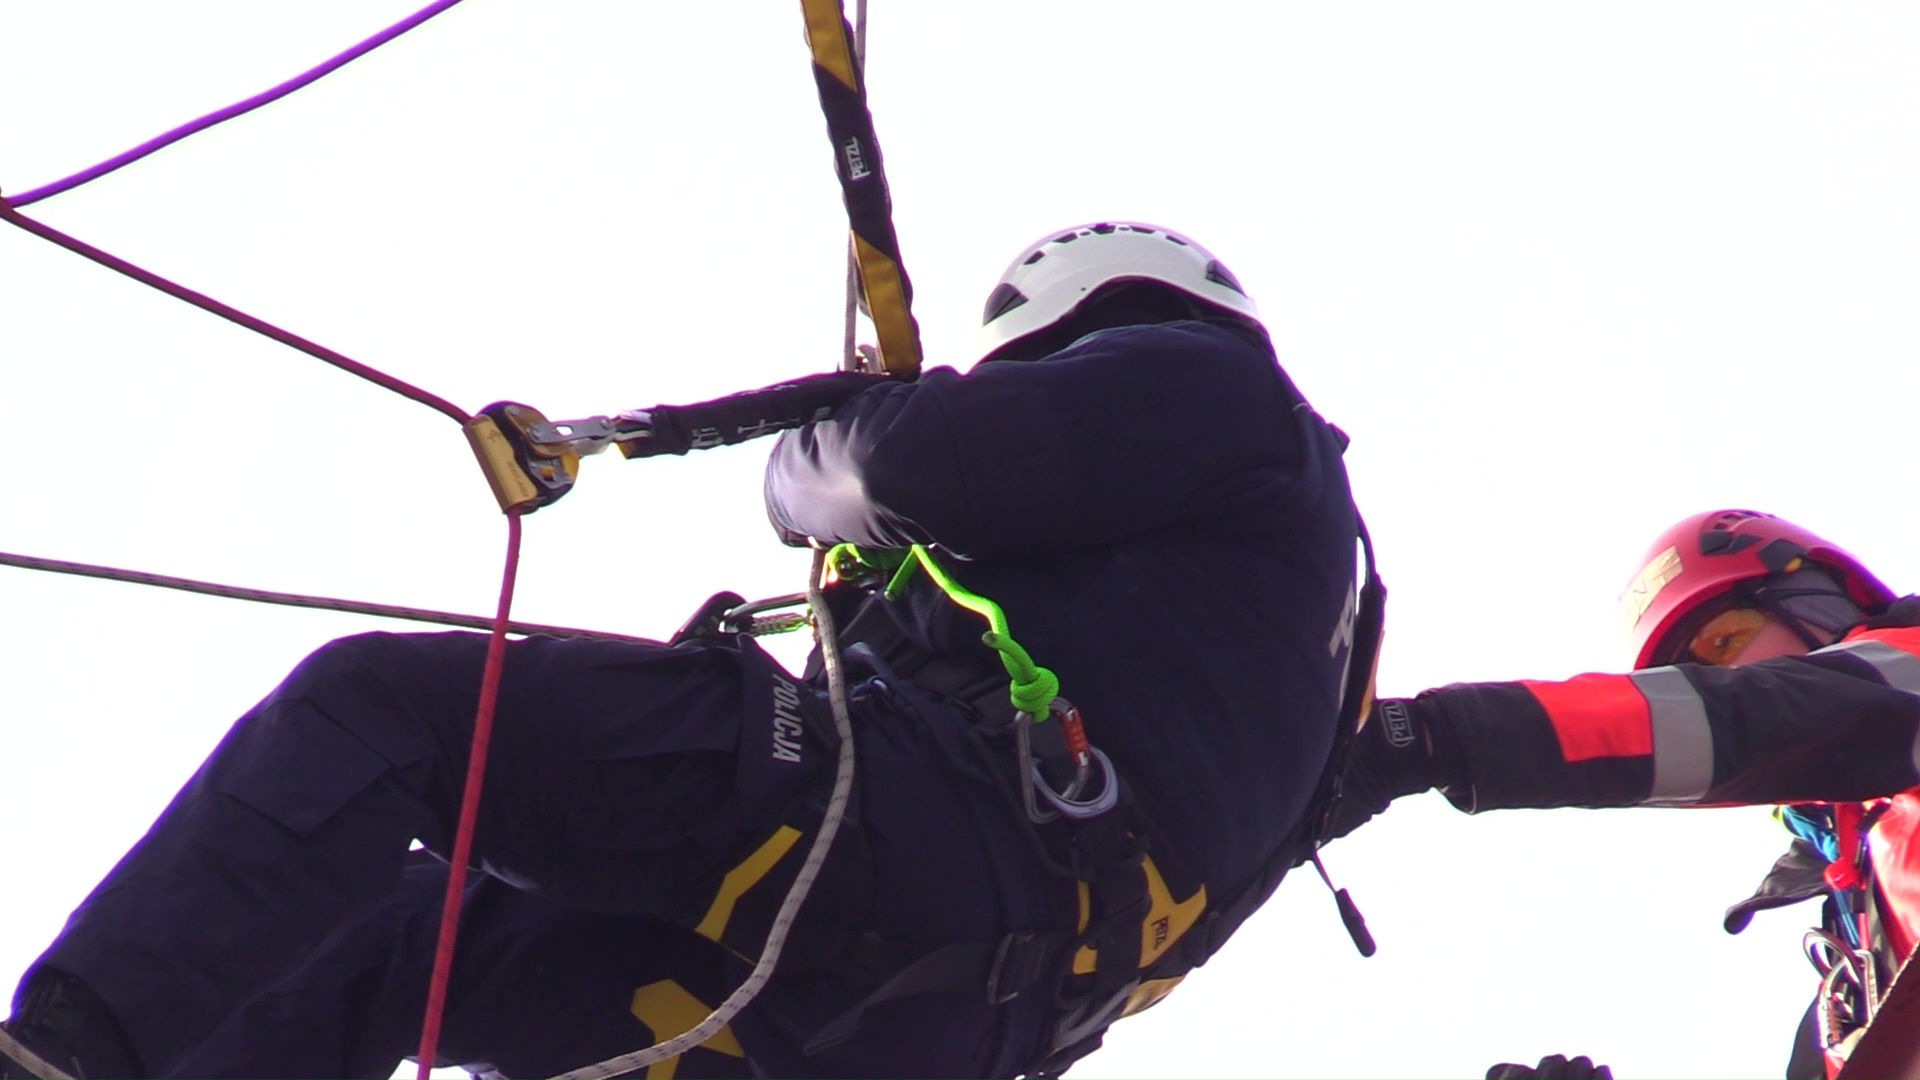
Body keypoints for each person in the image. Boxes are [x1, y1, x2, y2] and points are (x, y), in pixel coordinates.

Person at [2, 221, 1371, 1080]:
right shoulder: (1298, 636)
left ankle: (71, 1052)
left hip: (906, 854)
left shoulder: (1204, 383)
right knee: (381, 940)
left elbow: (920, 467)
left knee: (391, 719)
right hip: (934, 1015)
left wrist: (811, 468)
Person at [1340, 508, 1920, 1079]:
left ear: (1819, 598)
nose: (1725, 679)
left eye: (1725, 642)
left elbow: (1761, 715)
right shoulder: (1854, 963)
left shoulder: (1906, 663)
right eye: (1695, 674)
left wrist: (1432, 737)